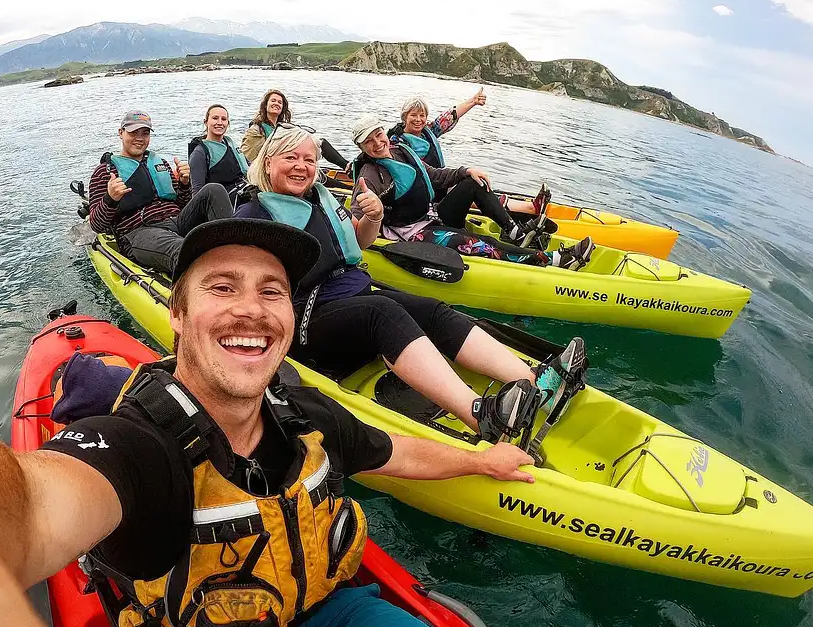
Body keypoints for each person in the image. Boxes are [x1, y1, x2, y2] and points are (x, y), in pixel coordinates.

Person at [0, 219, 539, 627]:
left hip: (342, 620)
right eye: (222, 288)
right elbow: (30, 504)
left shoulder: (305, 414)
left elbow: (391, 453)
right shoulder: (139, 446)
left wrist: (482, 461)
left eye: (272, 291)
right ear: (177, 315)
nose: (252, 309)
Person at [236, 125, 588, 439]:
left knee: (430, 309)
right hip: (306, 323)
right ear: (268, 162)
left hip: (352, 296)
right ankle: (482, 416)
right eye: (291, 158)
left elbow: (361, 243)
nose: (302, 166)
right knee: (383, 312)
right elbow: (244, 291)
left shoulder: (321, 196)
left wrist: (372, 217)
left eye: (309, 159)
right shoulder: (254, 216)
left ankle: (536, 382)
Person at [352, 116, 594, 269]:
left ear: (384, 132)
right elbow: (356, 221)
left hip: (433, 216)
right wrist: (374, 219)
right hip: (413, 234)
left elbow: (435, 175)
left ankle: (516, 232)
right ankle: (553, 260)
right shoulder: (369, 175)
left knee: (472, 182)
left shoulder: (401, 151)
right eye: (368, 141)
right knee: (484, 243)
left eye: (378, 135)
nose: (377, 143)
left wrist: (466, 170)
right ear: (362, 148)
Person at [88, 111, 233, 275]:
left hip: (177, 221)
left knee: (214, 189)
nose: (140, 138)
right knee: (185, 248)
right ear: (121, 133)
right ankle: (217, 274)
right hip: (140, 232)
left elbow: (182, 204)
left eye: (145, 133)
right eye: (133, 132)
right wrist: (110, 199)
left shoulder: (160, 163)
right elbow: (97, 225)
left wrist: (184, 184)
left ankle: (231, 248)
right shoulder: (105, 172)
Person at [240, 88, 349, 170]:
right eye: (273, 101)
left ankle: (348, 167)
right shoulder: (256, 130)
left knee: (320, 142)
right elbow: (247, 159)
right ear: (265, 105)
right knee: (320, 178)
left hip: (292, 161)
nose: (276, 104)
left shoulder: (284, 127)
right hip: (274, 168)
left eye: (280, 102)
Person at [387, 88, 487, 168]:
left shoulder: (429, 131)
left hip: (437, 179)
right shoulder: (396, 141)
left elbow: (451, 115)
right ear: (405, 117)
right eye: (413, 115)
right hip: (419, 186)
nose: (418, 119)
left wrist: (473, 101)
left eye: (422, 115)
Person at [187, 104, 250, 208]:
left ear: (228, 123)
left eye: (224, 119)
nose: (220, 122)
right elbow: (197, 192)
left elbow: (249, 166)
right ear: (206, 122)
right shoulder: (200, 153)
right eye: (215, 118)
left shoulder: (230, 143)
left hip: (244, 192)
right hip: (223, 203)